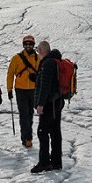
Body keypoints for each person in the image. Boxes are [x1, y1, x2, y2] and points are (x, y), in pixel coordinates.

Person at [30, 40, 65, 173]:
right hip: (57, 102)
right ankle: (56, 162)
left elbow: (45, 86)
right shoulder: (55, 61)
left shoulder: (47, 63)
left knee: (42, 131)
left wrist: (40, 105)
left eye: (38, 48)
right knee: (55, 132)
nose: (37, 51)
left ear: (43, 49)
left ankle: (44, 162)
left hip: (49, 104)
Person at [6, 35, 39, 148]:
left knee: (30, 114)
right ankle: (27, 138)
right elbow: (10, 74)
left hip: (33, 90)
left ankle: (26, 136)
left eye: (30, 44)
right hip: (20, 90)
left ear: (33, 45)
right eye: (26, 44)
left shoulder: (38, 58)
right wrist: (9, 89)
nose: (28, 46)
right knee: (24, 114)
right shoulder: (16, 58)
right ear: (23, 45)